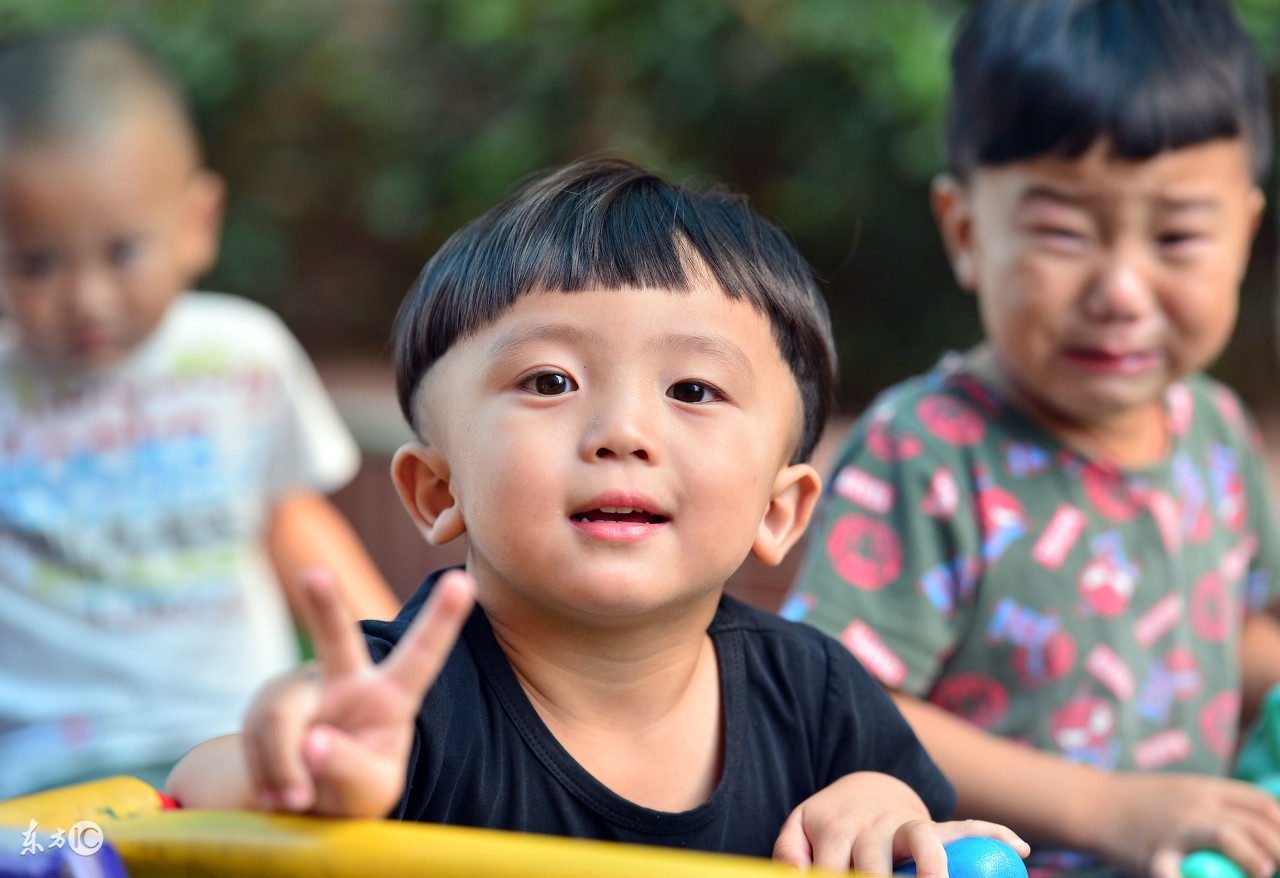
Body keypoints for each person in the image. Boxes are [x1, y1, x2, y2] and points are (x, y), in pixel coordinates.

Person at [166, 157, 1029, 873]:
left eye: (693, 389)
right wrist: (303, 767)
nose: (622, 432)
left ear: (780, 508)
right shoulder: (404, 701)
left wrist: (890, 804)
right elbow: (191, 791)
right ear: (438, 491)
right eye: (549, 382)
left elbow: (945, 844)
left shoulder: (816, 700)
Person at [780, 2, 1280, 877]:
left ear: (1243, 232)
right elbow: (843, 701)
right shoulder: (928, 450)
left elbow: (1221, 629)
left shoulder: (1216, 432)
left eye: (1178, 236)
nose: (1121, 290)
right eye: (1062, 232)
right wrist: (1103, 809)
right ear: (967, 233)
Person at [0, 30, 401, 798]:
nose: (86, 297)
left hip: (238, 743)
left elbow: (291, 523)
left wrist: (393, 657)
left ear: (195, 223)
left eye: (121, 252)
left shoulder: (240, 356)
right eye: (37, 262)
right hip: (37, 771)